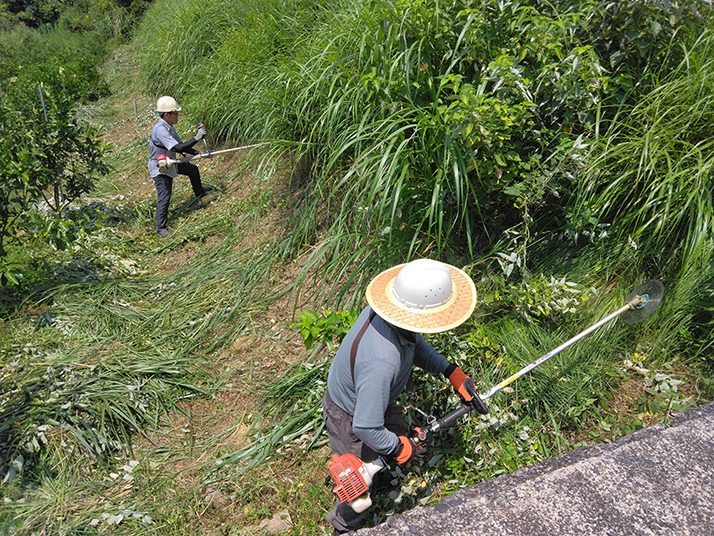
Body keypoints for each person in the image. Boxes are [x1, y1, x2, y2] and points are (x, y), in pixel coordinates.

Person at [323, 258, 488, 534]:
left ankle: (385, 472)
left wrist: (450, 371)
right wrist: (398, 448)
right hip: (349, 417)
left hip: (372, 402)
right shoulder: (382, 361)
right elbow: (365, 426)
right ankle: (343, 525)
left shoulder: (389, 318)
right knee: (357, 486)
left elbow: (417, 347)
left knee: (393, 441)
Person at [148, 95, 212, 238]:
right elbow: (177, 148)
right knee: (165, 196)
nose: (177, 115)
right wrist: (197, 137)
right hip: (161, 166)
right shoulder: (160, 130)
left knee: (192, 170)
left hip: (171, 161)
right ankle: (161, 228)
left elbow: (182, 147)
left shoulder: (169, 127)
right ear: (167, 114)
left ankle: (200, 192)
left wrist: (200, 153)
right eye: (175, 113)